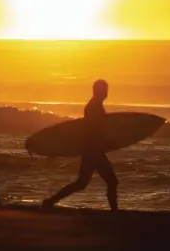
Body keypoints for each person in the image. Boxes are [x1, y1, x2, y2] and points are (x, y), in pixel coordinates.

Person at [42, 79, 119, 211]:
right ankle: (114, 212)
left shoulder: (95, 105)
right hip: (93, 151)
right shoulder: (93, 107)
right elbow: (92, 130)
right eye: (105, 90)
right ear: (98, 91)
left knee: (82, 183)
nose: (107, 93)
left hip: (92, 150)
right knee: (110, 181)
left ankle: (50, 202)